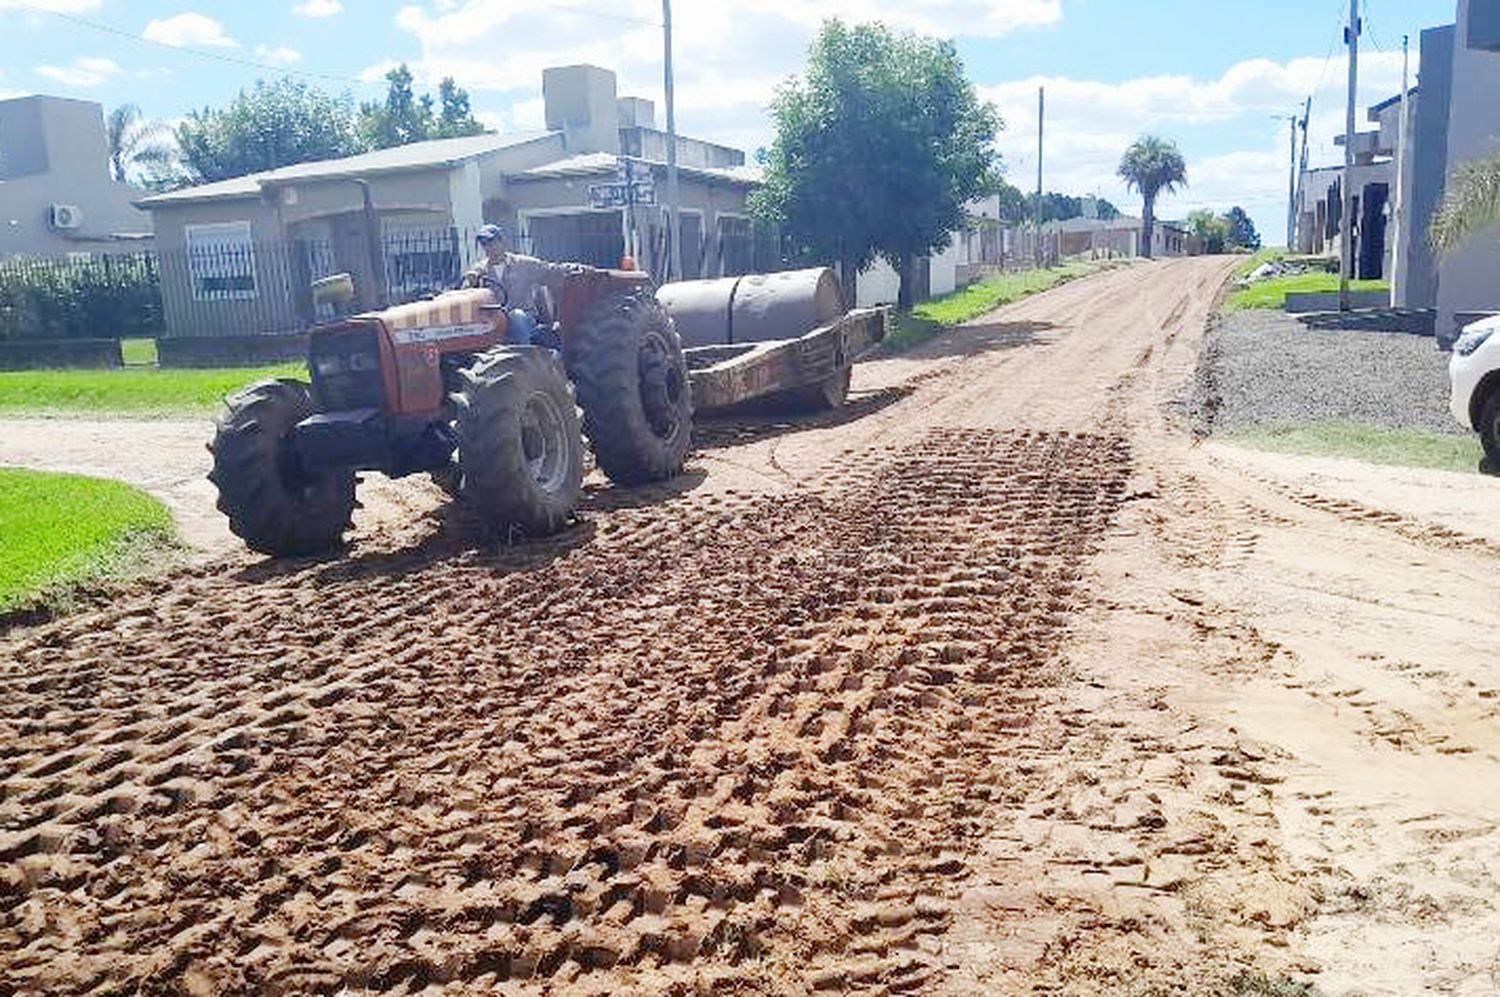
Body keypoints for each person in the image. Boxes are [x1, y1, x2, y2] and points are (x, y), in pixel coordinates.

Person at [461, 224, 564, 347]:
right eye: (484, 244)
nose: (489, 247)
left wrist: (556, 317)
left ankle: (526, 358)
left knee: (516, 316)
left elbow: (553, 272)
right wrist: (469, 283)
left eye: (491, 242)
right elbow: (465, 294)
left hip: (525, 317)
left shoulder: (523, 264)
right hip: (495, 322)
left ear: (502, 241)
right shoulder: (479, 269)